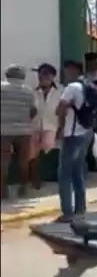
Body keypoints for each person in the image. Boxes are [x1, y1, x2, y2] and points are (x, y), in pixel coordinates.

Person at [55, 60, 94, 221]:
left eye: (66, 70)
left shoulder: (71, 87)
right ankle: (80, 210)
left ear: (72, 70)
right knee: (78, 171)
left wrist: (60, 128)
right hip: (86, 133)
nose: (64, 73)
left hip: (72, 135)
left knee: (64, 174)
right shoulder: (88, 86)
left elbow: (60, 109)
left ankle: (67, 213)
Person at [1, 65, 37, 199]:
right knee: (23, 161)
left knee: (3, 162)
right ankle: (23, 189)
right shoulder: (28, 91)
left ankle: (2, 192)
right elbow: (33, 111)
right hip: (24, 130)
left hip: (3, 130)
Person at [30, 63, 62, 189]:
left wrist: (62, 128)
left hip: (52, 126)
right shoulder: (33, 92)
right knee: (33, 154)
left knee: (52, 150)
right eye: (40, 74)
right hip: (35, 127)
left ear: (52, 76)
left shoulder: (60, 91)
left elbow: (64, 111)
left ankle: (56, 175)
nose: (41, 77)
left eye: (45, 74)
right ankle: (35, 179)